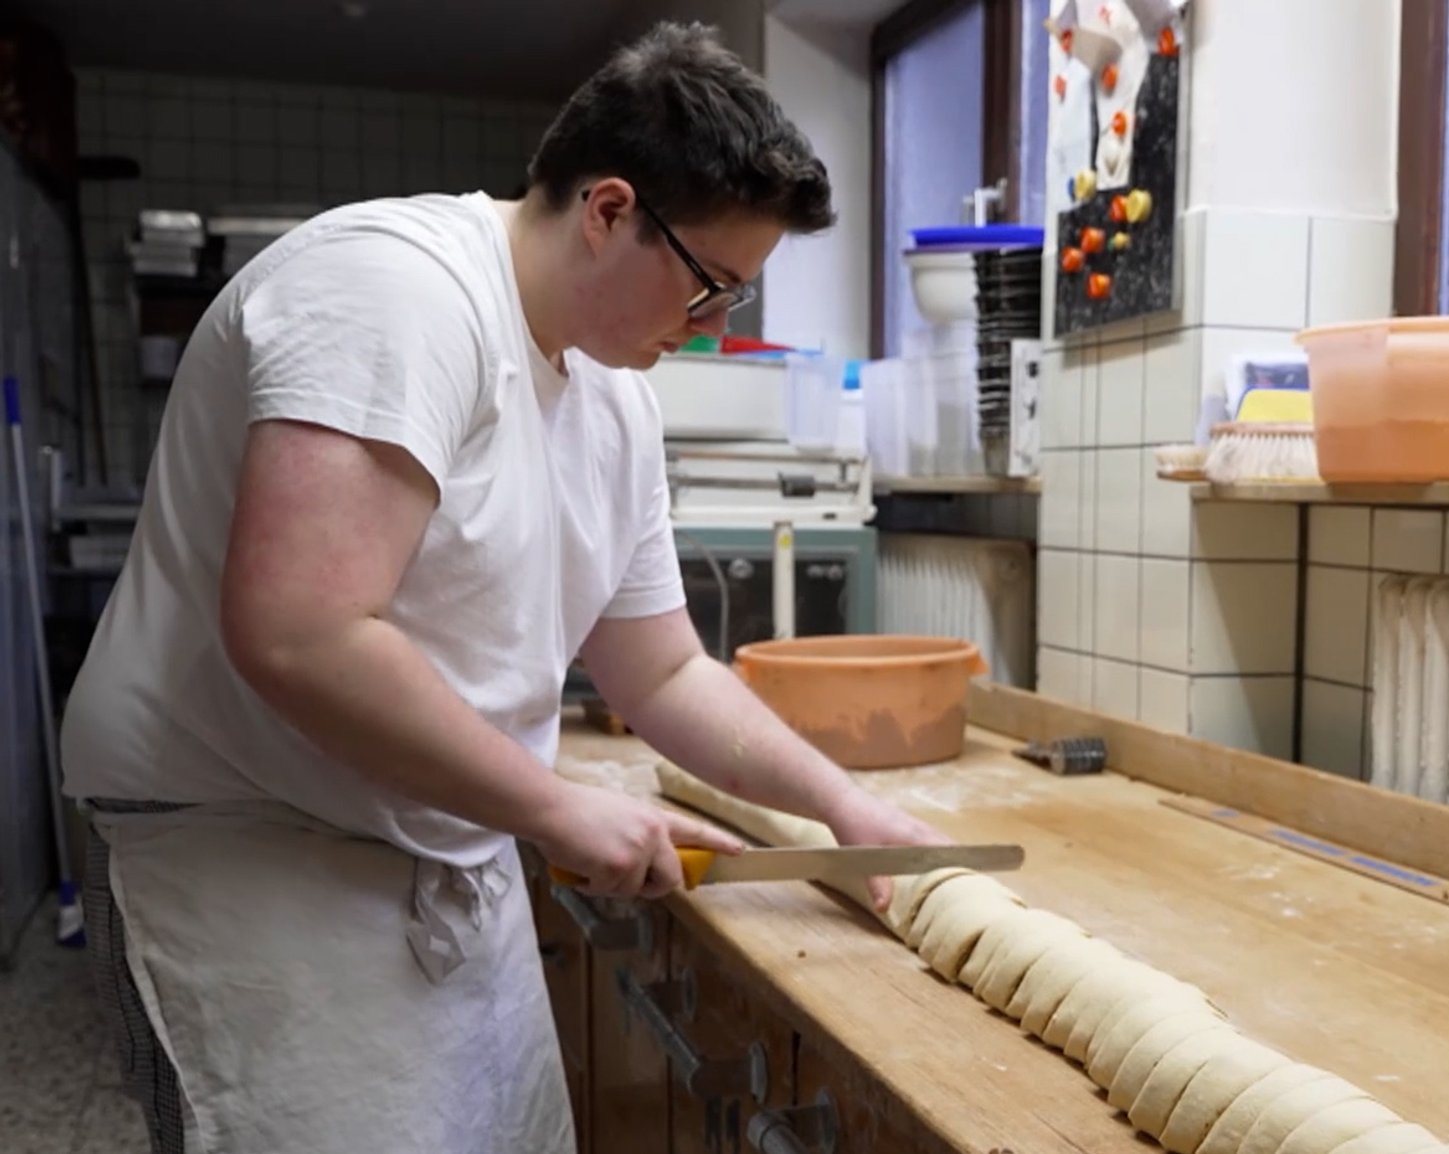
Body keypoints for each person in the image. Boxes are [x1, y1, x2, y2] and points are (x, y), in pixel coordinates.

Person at [58, 21, 944, 1154]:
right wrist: (557, 804)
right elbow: (300, 630)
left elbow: (661, 667)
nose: (711, 326)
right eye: (712, 287)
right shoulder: (394, 294)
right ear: (609, 210)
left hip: (440, 843)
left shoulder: (613, 395)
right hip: (245, 845)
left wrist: (840, 806)